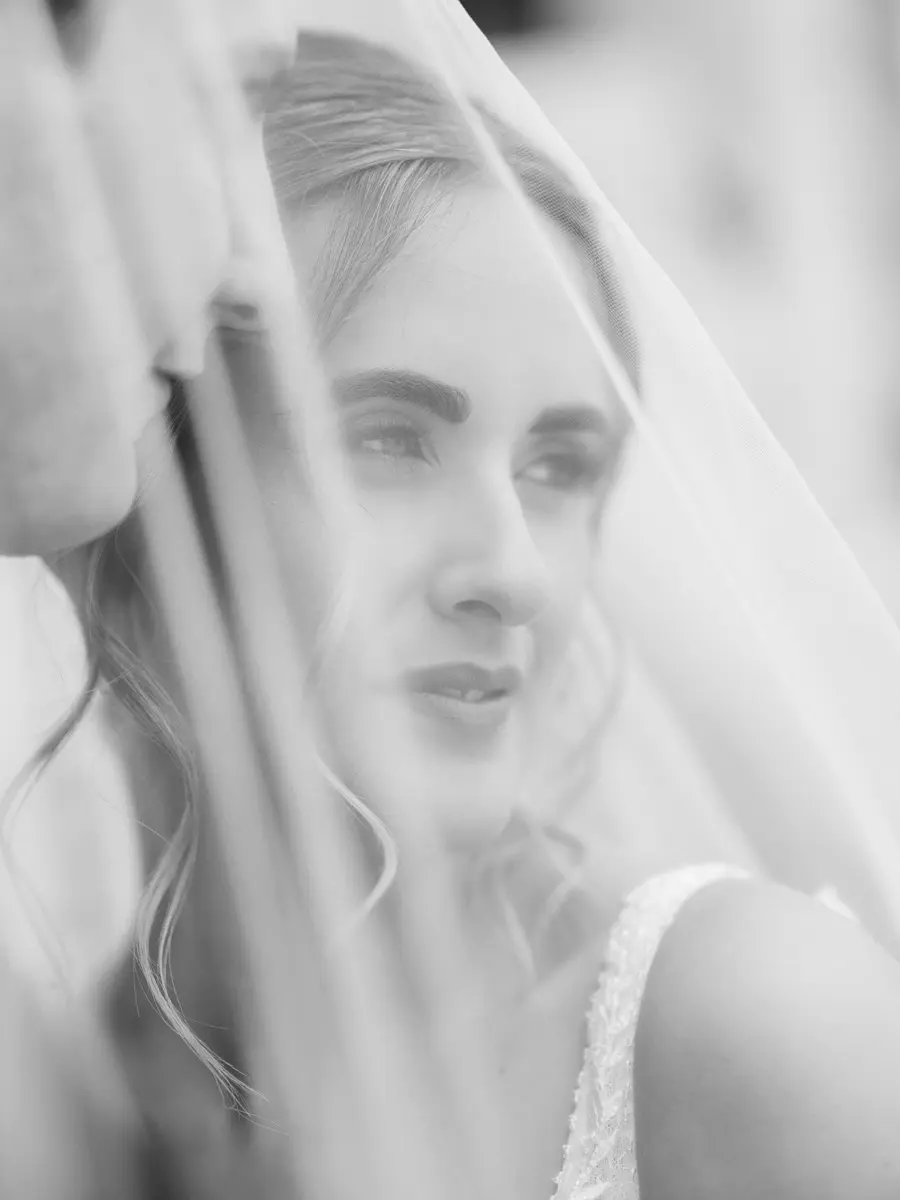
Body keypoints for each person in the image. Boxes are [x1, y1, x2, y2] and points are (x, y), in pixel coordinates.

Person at [15, 23, 900, 1200]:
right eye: (388, 440)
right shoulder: (89, 1092)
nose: (513, 573)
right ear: (153, 472)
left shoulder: (754, 1028)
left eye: (559, 466)